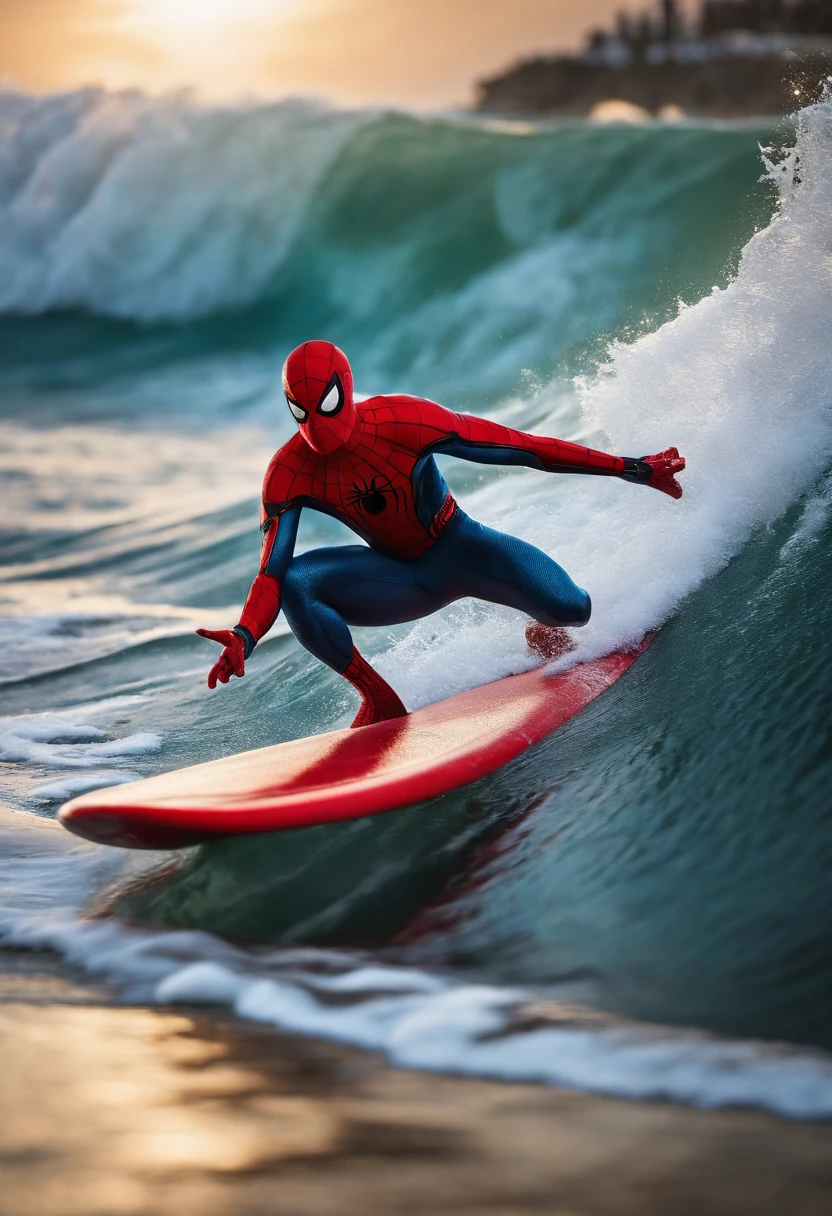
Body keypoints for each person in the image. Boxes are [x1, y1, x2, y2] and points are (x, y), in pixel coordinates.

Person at [198, 341, 685, 727]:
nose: (318, 425)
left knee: (574, 609)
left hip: (462, 548)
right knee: (297, 581)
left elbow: (524, 448)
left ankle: (544, 631)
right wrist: (246, 634)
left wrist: (630, 468)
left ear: (345, 387)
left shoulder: (405, 420)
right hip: (398, 576)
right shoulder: (288, 472)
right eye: (303, 412)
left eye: (326, 404)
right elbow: (271, 568)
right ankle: (380, 700)